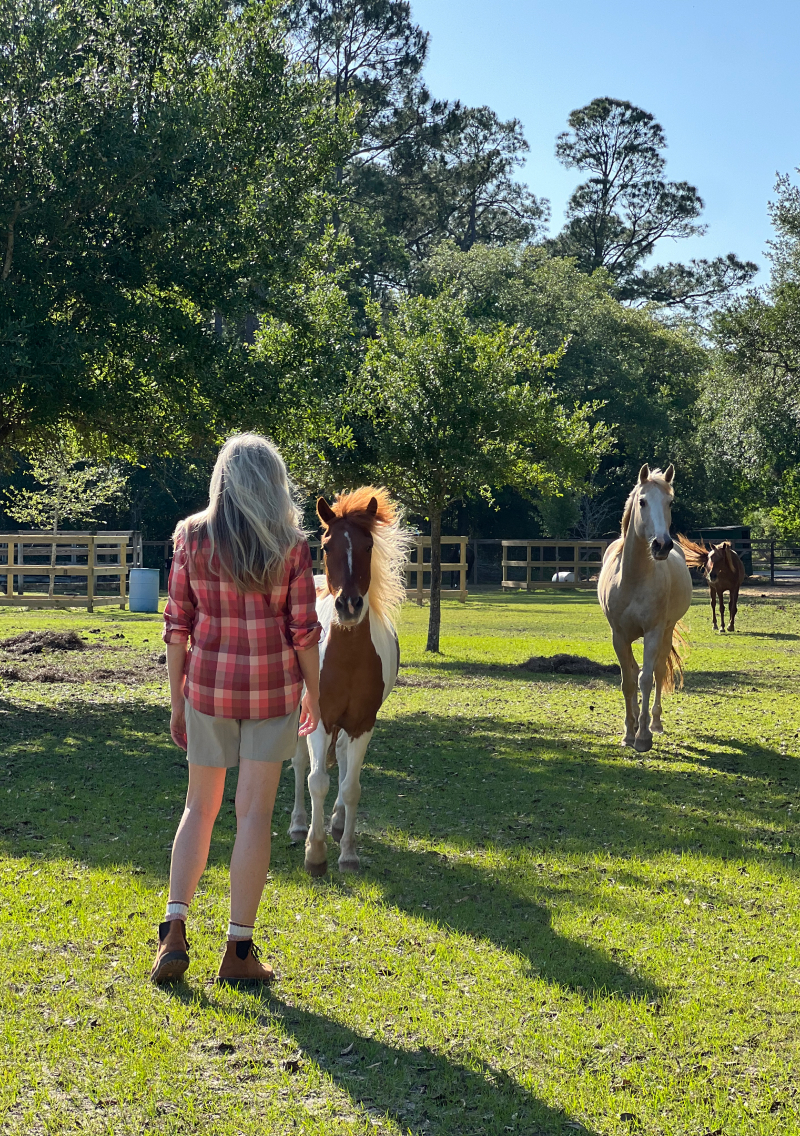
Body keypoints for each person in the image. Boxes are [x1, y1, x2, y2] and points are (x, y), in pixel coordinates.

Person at [151, 434, 321, 985]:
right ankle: (239, 951)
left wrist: (176, 700)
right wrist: (316, 693)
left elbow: (177, 625)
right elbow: (303, 632)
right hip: (271, 692)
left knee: (198, 809)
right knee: (253, 815)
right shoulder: (292, 545)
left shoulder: (189, 536)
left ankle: (174, 931)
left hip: (207, 689)